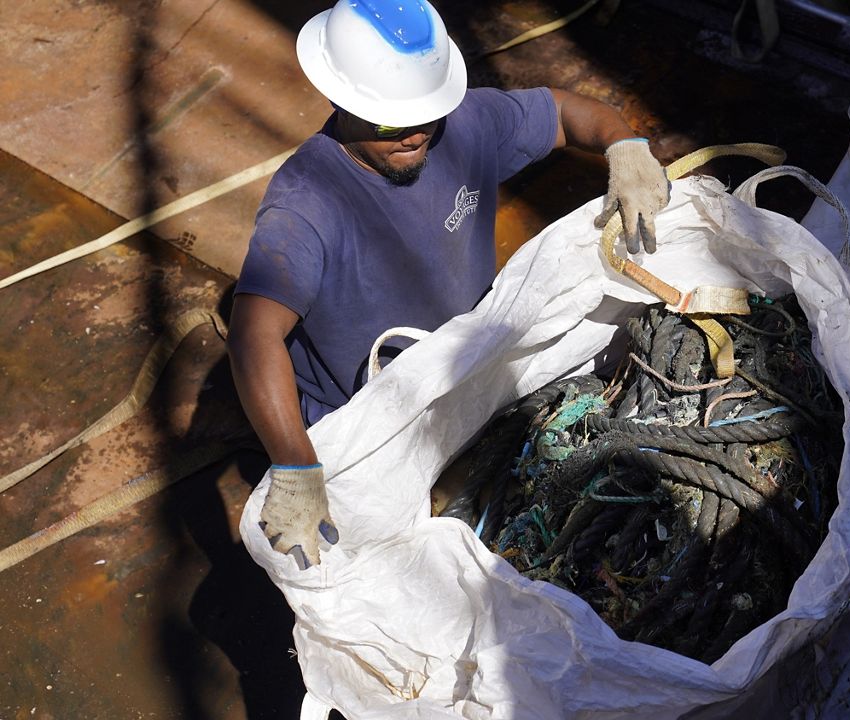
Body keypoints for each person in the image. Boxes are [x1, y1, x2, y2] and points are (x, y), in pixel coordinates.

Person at [226, 0, 670, 571]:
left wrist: (624, 147)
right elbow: (253, 337)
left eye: (424, 114)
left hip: (465, 366)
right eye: (391, 121)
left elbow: (562, 113)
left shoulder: (460, 128)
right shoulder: (306, 207)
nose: (413, 135)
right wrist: (293, 463)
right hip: (364, 411)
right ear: (340, 100)